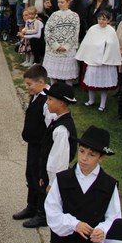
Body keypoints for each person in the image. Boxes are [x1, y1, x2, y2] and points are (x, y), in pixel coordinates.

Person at [44, 126, 120, 243]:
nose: (84, 158)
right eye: (82, 151)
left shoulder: (108, 185)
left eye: (91, 155)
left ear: (101, 157)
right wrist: (74, 224)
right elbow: (52, 211)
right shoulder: (63, 179)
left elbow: (114, 217)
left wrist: (102, 230)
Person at [25, 81, 78, 233]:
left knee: (50, 198)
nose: (47, 102)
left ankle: (44, 217)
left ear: (61, 103)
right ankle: (37, 210)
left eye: (50, 99)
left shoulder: (62, 129)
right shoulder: (57, 121)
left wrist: (52, 180)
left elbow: (59, 159)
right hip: (47, 171)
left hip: (54, 175)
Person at [13, 65, 52, 225]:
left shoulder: (47, 100)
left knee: (39, 176)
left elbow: (50, 126)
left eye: (30, 84)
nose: (27, 87)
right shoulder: (36, 95)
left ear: (41, 82)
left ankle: (42, 213)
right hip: (33, 144)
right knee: (30, 173)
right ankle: (31, 205)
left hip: (41, 146)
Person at [75, 10, 121, 111]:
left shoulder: (111, 31)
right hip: (93, 59)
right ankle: (91, 100)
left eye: (104, 19)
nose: (101, 21)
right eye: (99, 19)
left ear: (108, 20)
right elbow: (87, 43)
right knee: (91, 80)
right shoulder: (93, 29)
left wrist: (105, 47)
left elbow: (113, 45)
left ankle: (102, 104)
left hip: (105, 61)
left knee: (104, 83)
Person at [43, 0, 80, 84]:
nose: (59, 4)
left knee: (68, 76)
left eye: (62, 2)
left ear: (68, 2)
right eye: (58, 2)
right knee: (53, 75)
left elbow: (74, 32)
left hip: (67, 49)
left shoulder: (74, 16)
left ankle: (68, 91)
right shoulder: (54, 15)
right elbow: (47, 30)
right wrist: (55, 45)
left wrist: (66, 46)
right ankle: (53, 90)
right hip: (54, 49)